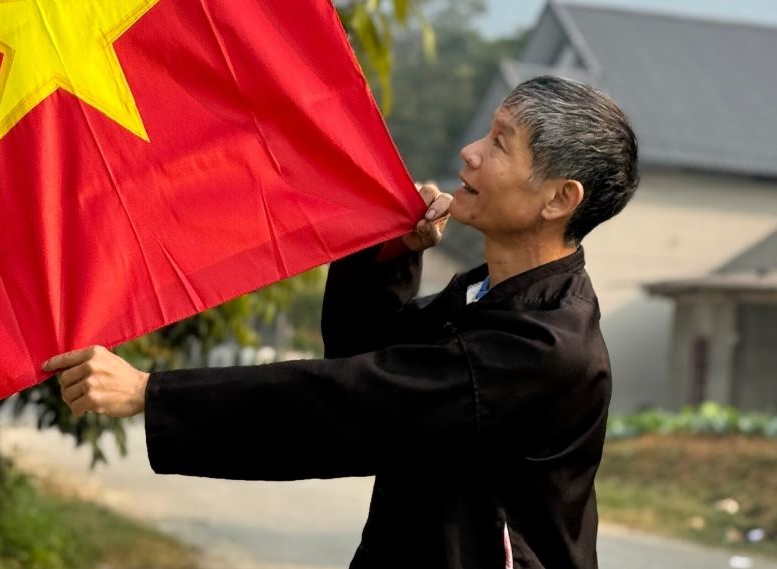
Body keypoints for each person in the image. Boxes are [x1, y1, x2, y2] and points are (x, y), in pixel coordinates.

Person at [45, 75, 640, 569]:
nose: (471, 152)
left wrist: (153, 393)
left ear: (560, 199)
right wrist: (390, 251)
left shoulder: (545, 345)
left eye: (502, 144)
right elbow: (362, 353)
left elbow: (352, 403)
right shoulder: (489, 297)